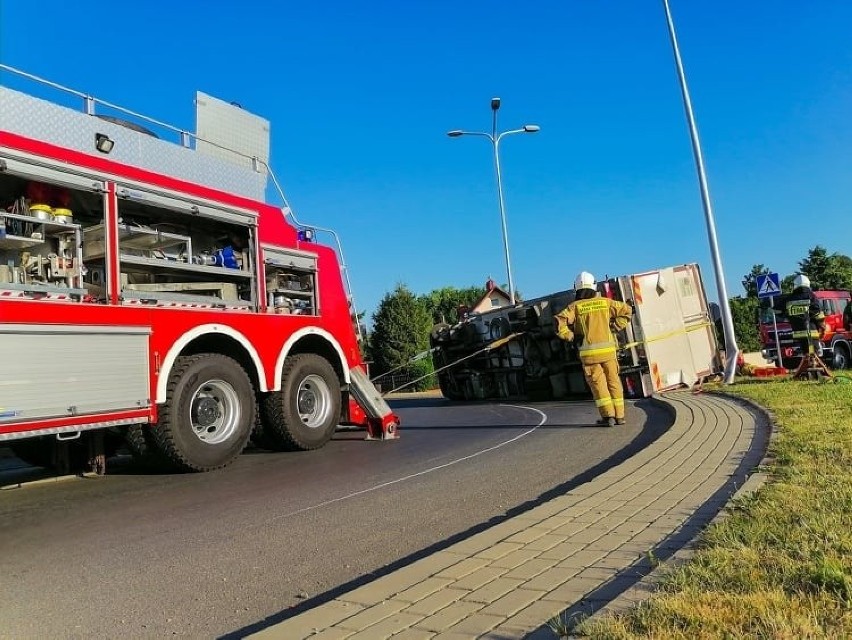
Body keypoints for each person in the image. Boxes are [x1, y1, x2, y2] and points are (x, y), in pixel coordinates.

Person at [555, 271, 633, 427]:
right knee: (614, 382)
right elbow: (627, 310)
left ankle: (608, 417)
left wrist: (571, 336)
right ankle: (620, 416)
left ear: (576, 288)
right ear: (594, 285)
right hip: (609, 353)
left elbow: (558, 323)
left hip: (589, 355)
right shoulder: (605, 302)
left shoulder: (574, 307)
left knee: (599, 386)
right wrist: (615, 326)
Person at [785, 274, 826, 361]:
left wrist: (788, 317)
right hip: (811, 332)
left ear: (795, 285)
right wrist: (822, 327)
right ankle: (815, 370)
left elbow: (778, 310)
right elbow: (818, 312)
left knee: (806, 354)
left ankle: (808, 369)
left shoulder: (790, 299)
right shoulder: (811, 296)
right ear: (808, 284)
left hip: (798, 333)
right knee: (814, 354)